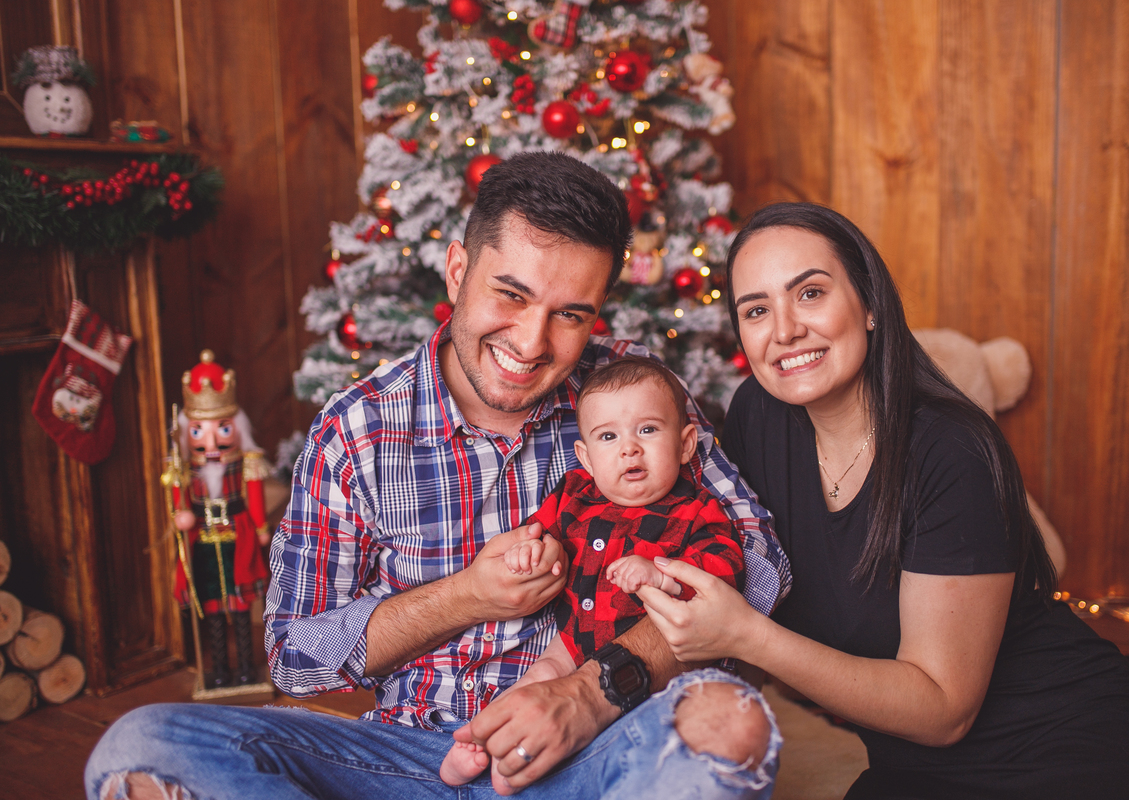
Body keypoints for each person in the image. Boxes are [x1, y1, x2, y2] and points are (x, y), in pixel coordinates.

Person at [84, 152, 788, 800]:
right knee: (143, 747)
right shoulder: (358, 428)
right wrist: (464, 597)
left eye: (570, 315)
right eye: (510, 294)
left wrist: (589, 694)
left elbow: (758, 563)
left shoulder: (635, 394)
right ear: (457, 270)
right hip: (412, 759)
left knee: (729, 723)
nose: (531, 342)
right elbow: (296, 657)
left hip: (596, 751)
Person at [637, 202, 1129, 799]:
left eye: (810, 294)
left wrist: (746, 635)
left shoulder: (952, 451)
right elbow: (701, 547)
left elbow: (942, 710)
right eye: (756, 309)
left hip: (1072, 756)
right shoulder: (757, 416)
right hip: (914, 772)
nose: (784, 330)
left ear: (872, 305)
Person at [441, 356, 745, 785]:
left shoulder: (697, 512)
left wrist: (661, 575)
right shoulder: (575, 496)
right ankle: (481, 739)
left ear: (685, 444)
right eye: (608, 436)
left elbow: (725, 569)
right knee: (537, 681)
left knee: (654, 732)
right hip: (571, 642)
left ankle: (526, 771)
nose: (629, 448)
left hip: (651, 661)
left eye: (648, 429)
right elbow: (535, 532)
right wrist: (527, 552)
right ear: (585, 455)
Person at [168, 349, 272, 688]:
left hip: (236, 537)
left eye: (222, 429)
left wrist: (259, 527)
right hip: (203, 542)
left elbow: (253, 495)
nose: (211, 442)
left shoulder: (244, 464)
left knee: (240, 605)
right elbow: (177, 504)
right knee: (213, 607)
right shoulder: (184, 472)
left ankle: (245, 665)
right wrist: (180, 517)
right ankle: (220, 670)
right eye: (199, 432)